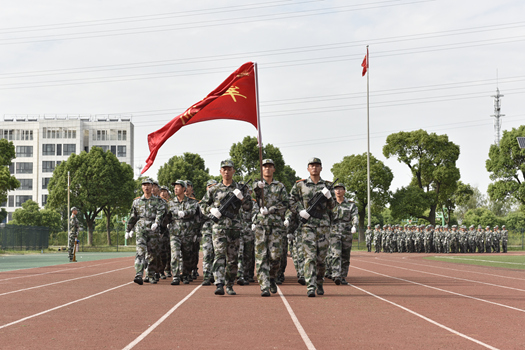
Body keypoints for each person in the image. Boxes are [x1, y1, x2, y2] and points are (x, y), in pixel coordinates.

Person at [201, 160, 253, 296]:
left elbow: (249, 208)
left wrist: (242, 199)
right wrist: (211, 210)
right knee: (219, 255)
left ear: (233, 171)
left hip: (234, 228)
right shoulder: (214, 189)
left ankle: (229, 284)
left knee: (233, 259)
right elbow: (202, 205)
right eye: (224, 169)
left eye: (229, 169)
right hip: (218, 228)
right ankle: (219, 284)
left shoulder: (241, 188)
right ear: (220, 171)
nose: (226, 171)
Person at [289, 157, 335, 297]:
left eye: (317, 165)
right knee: (309, 258)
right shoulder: (300, 185)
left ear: (321, 168)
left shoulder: (328, 186)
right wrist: (300, 210)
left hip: (323, 227)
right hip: (307, 226)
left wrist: (329, 198)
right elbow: (290, 201)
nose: (314, 168)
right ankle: (310, 286)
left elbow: (333, 207)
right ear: (308, 168)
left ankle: (319, 282)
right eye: (311, 165)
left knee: (321, 258)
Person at [252, 159, 289, 297]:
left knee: (275, 256)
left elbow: (286, 203)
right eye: (264, 166)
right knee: (261, 256)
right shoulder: (257, 185)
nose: (267, 169)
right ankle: (264, 286)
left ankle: (272, 278)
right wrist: (257, 187)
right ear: (261, 169)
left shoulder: (279, 186)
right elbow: (250, 201)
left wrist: (273, 209)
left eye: (270, 167)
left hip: (276, 226)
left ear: (274, 169)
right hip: (261, 225)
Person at [126, 178, 166, 285]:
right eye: (144, 185)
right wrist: (128, 229)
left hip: (153, 229)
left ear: (152, 186)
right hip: (141, 230)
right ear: (142, 187)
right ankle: (139, 274)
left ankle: (151, 275)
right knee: (140, 251)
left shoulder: (158, 201)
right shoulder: (137, 202)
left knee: (152, 253)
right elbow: (133, 216)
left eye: (148, 185)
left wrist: (157, 223)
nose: (146, 187)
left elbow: (160, 213)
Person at [167, 180, 200, 285]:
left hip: (188, 233)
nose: (175, 189)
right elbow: (166, 215)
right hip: (174, 233)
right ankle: (176, 276)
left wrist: (185, 213)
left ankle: (185, 275)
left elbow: (194, 213)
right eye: (175, 187)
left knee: (187, 256)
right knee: (175, 254)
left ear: (184, 189)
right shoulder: (170, 203)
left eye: (178, 187)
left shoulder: (192, 202)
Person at [329, 183, 357, 286]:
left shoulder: (350, 204)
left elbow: (354, 216)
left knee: (345, 255)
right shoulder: (330, 204)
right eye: (336, 189)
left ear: (344, 191)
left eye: (340, 189)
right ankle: (336, 275)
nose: (338, 191)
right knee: (336, 254)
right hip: (334, 232)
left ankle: (343, 276)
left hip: (346, 232)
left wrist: (354, 225)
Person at [200, 179, 217, 286]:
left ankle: (215, 275)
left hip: (218, 230)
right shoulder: (203, 202)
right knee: (207, 254)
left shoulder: (220, 199)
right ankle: (206, 276)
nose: (211, 188)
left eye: (213, 186)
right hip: (207, 231)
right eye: (209, 186)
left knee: (217, 254)